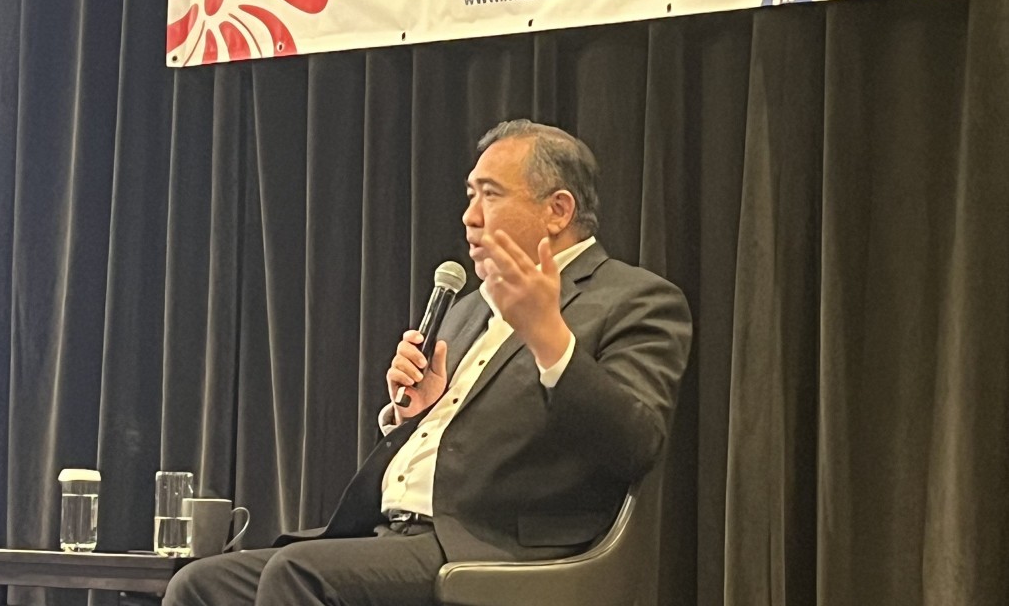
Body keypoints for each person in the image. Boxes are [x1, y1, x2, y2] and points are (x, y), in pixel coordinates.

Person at [163, 119, 692, 606]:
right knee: (201, 584)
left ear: (558, 210)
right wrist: (414, 415)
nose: (470, 216)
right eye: (470, 195)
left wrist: (549, 337)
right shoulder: (471, 307)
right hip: (395, 535)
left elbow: (635, 443)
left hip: (497, 542)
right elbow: (455, 433)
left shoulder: (636, 300)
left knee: (300, 575)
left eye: (491, 194)